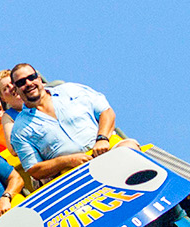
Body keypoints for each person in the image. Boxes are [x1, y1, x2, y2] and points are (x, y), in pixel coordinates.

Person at [7, 63, 136, 182]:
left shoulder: (71, 90)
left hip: (106, 151)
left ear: (39, 78)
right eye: (21, 82)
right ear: (16, 90)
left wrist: (102, 138)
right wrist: (67, 161)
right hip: (70, 174)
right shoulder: (20, 129)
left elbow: (106, 112)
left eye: (32, 77)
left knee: (130, 147)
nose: (28, 83)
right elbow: (34, 169)